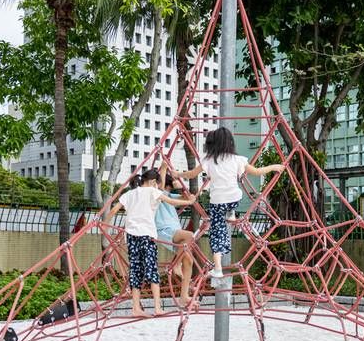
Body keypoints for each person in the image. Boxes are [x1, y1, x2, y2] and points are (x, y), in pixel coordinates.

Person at [177, 127, 284, 278]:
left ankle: (218, 268)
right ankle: (231, 212)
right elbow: (257, 171)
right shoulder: (237, 159)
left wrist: (177, 174)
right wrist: (274, 167)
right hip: (234, 198)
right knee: (230, 203)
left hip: (217, 202)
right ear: (230, 142)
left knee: (216, 233)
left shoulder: (208, 161)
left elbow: (191, 174)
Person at [106, 168, 196, 317]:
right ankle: (157, 307)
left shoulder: (129, 194)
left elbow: (114, 210)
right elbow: (172, 201)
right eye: (157, 184)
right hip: (146, 235)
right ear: (154, 182)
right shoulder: (153, 192)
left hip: (132, 236)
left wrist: (105, 225)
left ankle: (135, 308)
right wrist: (190, 201)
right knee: (152, 270)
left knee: (136, 271)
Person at [156, 164, 196, 308]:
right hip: (164, 230)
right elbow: (159, 187)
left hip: (175, 231)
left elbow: (185, 196)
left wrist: (178, 183)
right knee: (190, 235)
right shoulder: (156, 193)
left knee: (189, 262)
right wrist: (164, 169)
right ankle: (176, 265)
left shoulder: (169, 195)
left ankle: (184, 296)